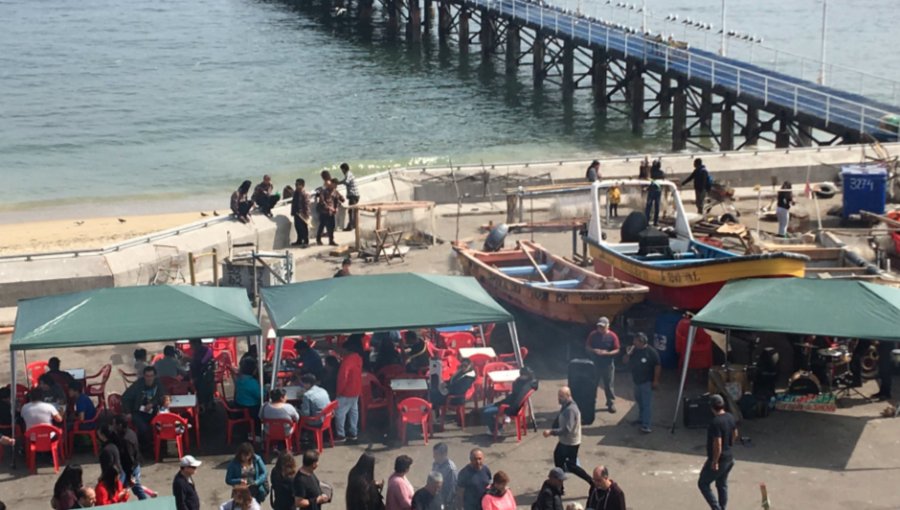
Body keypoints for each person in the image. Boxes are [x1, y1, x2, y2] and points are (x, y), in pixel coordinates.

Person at [542, 387, 593, 487]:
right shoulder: (566, 405)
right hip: (566, 442)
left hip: (570, 443)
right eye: (558, 396)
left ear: (568, 396)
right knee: (559, 459)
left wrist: (551, 432)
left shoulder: (571, 410)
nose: (559, 398)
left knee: (571, 465)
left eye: (561, 396)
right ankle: (560, 484)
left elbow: (567, 429)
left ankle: (591, 481)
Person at [698, 394, 739, 510]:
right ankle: (723, 507)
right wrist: (730, 444)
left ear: (711, 407)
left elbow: (717, 444)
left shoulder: (715, 422)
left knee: (703, 483)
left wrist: (715, 461)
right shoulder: (730, 417)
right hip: (729, 458)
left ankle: (717, 508)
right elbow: (735, 433)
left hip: (719, 459)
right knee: (722, 484)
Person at [482, 366, 537, 434]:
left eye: (522, 375)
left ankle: (495, 430)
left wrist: (507, 412)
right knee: (484, 408)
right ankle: (498, 427)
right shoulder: (527, 383)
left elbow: (517, 402)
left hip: (510, 407)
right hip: (509, 403)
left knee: (486, 412)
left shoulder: (524, 387)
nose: (520, 376)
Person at [623, 333, 661, 433]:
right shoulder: (634, 350)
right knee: (639, 401)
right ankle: (641, 419)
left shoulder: (651, 352)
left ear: (641, 341)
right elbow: (625, 361)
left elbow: (657, 366)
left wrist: (656, 380)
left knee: (646, 403)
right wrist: (628, 354)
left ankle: (646, 425)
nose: (634, 343)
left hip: (647, 382)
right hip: (636, 381)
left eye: (636, 341)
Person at [121, 366, 167, 444]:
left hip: (153, 411)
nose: (149, 378)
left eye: (151, 376)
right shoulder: (138, 385)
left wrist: (152, 403)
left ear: (154, 376)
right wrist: (128, 412)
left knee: (164, 423)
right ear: (144, 376)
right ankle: (145, 447)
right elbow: (125, 397)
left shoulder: (158, 383)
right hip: (138, 412)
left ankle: (161, 444)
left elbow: (163, 396)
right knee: (143, 428)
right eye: (147, 376)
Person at [112, 414, 151, 500]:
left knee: (126, 488)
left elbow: (130, 459)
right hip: (130, 467)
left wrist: (130, 476)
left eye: (114, 424)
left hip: (130, 468)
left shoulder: (126, 440)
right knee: (135, 488)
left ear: (120, 425)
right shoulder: (129, 432)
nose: (113, 426)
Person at [585, 317, 620, 414]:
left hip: (608, 364)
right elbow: (587, 346)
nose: (600, 328)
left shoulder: (613, 336)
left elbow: (617, 349)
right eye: (599, 326)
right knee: (593, 384)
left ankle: (610, 402)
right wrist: (594, 350)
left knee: (608, 384)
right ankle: (591, 403)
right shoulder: (593, 335)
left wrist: (607, 353)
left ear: (607, 326)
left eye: (602, 327)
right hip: (595, 363)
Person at [335, 335, 363, 442]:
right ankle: (353, 433)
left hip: (346, 391)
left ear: (347, 349)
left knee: (340, 413)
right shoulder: (358, 358)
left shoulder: (347, 362)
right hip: (356, 389)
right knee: (353, 412)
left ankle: (341, 435)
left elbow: (343, 378)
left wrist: (339, 392)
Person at [235, 358, 262, 436]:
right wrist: (265, 389)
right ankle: (258, 432)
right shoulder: (251, 382)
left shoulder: (240, 378)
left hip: (240, 403)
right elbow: (260, 395)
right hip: (251, 408)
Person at [188, 338, 216, 411]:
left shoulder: (207, 350)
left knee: (201, 388)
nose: (190, 346)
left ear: (196, 344)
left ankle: (204, 405)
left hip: (205, 376)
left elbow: (200, 362)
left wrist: (189, 360)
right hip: (200, 375)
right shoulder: (197, 351)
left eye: (191, 344)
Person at [316, 177, 345, 246]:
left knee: (332, 226)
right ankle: (318, 239)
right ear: (331, 183)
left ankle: (331, 240)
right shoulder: (324, 191)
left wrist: (337, 207)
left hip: (331, 212)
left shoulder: (335, 191)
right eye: (334, 185)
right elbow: (322, 202)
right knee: (322, 225)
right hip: (324, 211)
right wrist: (329, 208)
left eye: (336, 185)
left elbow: (340, 200)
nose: (335, 187)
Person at [431, 443, 458, 508]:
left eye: (436, 454)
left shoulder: (450, 469)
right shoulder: (435, 464)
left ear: (444, 454)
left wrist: (446, 504)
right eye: (434, 454)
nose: (433, 456)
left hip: (447, 502)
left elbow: (452, 488)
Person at [338, 162, 360, 231]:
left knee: (351, 211)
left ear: (344, 169)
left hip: (353, 195)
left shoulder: (348, 174)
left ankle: (350, 226)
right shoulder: (349, 174)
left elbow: (346, 182)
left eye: (342, 170)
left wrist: (339, 182)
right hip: (355, 195)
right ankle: (354, 225)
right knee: (353, 211)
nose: (342, 172)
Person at [291, 178, 312, 247]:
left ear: (302, 185)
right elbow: (294, 203)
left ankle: (305, 241)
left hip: (302, 213)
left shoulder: (304, 193)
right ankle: (299, 240)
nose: (296, 186)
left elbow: (307, 204)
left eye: (297, 184)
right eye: (295, 184)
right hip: (296, 212)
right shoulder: (296, 193)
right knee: (297, 227)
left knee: (303, 228)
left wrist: (306, 214)